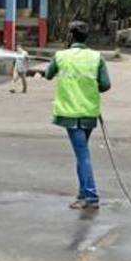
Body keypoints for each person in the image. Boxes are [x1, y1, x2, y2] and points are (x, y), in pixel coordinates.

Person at [37, 20, 111, 210]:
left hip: (71, 114)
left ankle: (91, 195)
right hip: (89, 113)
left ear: (70, 36)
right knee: (81, 153)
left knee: (83, 154)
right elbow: (105, 85)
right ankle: (82, 192)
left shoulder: (61, 56)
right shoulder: (97, 57)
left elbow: (48, 75)